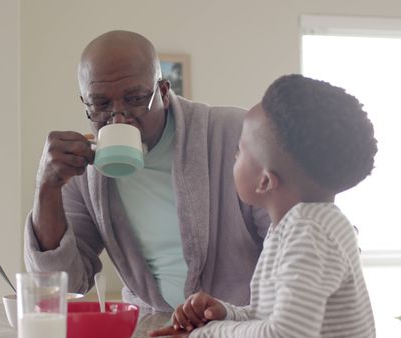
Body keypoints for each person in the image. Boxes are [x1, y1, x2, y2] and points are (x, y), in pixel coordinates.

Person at [23, 30, 270, 312]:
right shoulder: (82, 172)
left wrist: (243, 319)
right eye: (101, 104)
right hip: (152, 325)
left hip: (244, 325)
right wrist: (46, 185)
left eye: (135, 98)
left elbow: (285, 242)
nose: (118, 117)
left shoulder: (235, 134)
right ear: (85, 103)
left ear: (163, 92)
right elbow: (60, 284)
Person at [150, 74, 377, 337]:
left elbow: (285, 334)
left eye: (239, 151)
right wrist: (225, 313)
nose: (233, 158)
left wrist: (204, 335)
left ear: (265, 181)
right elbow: (269, 317)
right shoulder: (294, 225)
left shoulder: (309, 232)